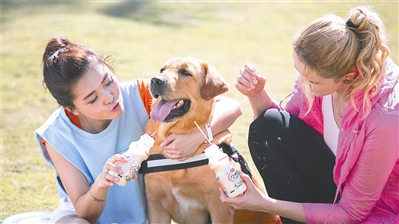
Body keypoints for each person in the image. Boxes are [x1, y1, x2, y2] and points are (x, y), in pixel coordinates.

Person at [35, 36, 242, 224]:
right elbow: (84, 213)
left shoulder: (139, 95)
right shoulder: (57, 134)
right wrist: (102, 182)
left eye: (108, 82)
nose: (109, 97)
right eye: (93, 98)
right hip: (84, 217)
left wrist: (196, 136)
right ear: (70, 108)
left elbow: (231, 106)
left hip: (140, 216)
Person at [220, 5, 398, 223]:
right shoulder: (323, 73)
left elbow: (352, 214)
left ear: (348, 77)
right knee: (268, 126)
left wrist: (262, 203)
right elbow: (280, 134)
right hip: (334, 185)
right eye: (300, 73)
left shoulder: (385, 118)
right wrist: (257, 94)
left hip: (370, 212)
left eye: (313, 81)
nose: (304, 85)